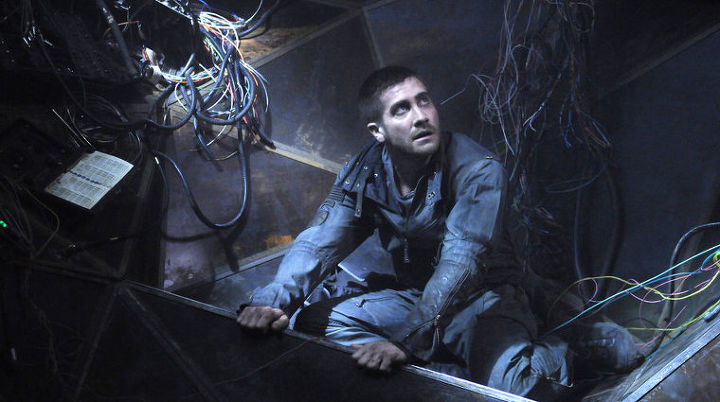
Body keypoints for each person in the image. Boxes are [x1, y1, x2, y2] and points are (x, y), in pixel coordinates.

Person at [237, 66, 640, 398]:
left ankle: (571, 346)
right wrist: (274, 301)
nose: (420, 116)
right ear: (378, 131)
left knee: (514, 391)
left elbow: (462, 263)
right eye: (401, 110)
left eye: (424, 101)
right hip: (416, 298)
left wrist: (405, 341)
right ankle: (452, 374)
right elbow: (320, 242)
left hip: (484, 299)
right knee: (313, 325)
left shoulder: (478, 170)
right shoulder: (365, 173)